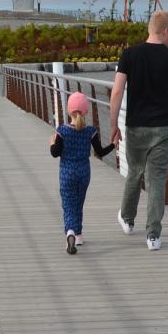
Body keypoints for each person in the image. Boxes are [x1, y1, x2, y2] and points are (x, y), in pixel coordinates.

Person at [109, 10, 168, 251]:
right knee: (156, 180)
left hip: (135, 126)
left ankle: (128, 219)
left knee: (134, 173)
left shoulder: (129, 54)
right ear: (165, 31)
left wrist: (113, 125)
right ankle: (153, 236)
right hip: (162, 127)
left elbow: (117, 91)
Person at [50, 92, 115, 255]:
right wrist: (114, 144)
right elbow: (100, 152)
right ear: (85, 112)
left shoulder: (62, 131)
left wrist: (52, 143)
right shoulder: (91, 131)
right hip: (84, 173)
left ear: (69, 111)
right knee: (78, 203)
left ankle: (70, 232)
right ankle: (78, 235)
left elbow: (55, 153)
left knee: (68, 204)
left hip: (67, 173)